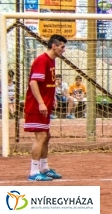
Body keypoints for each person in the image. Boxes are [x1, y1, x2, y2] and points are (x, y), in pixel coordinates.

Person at [23, 34, 67, 181]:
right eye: (62, 47)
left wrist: (52, 97)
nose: (63, 50)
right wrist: (41, 102)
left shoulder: (51, 61)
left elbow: (47, 84)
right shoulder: (42, 60)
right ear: (53, 46)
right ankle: (33, 171)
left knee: (46, 136)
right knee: (41, 136)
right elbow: (33, 83)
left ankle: (44, 168)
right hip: (36, 106)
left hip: (45, 105)